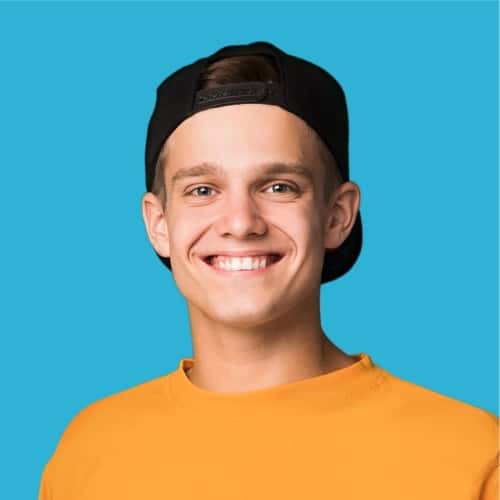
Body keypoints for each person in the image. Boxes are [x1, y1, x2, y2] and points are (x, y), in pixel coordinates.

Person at [38, 41, 498, 500]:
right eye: (202, 189)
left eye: (279, 186)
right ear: (158, 225)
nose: (241, 222)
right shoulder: (89, 452)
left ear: (337, 216)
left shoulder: (471, 456)